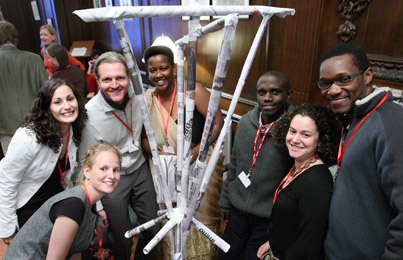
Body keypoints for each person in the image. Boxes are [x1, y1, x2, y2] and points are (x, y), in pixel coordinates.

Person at [319, 44, 403, 259]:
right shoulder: (352, 118)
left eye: (344, 79)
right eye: (325, 83)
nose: (333, 90)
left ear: (367, 75)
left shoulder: (392, 123)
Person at [142, 45, 225, 259]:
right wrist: (157, 153)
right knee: (172, 219)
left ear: (173, 67)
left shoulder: (193, 91)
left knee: (200, 219)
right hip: (167, 173)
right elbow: (142, 139)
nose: (158, 75)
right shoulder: (147, 99)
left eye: (163, 68)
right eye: (153, 70)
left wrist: (198, 151)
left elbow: (217, 123)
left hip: (198, 169)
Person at [78, 51, 159, 260]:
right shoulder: (90, 115)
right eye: (107, 79)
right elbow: (85, 162)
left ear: (129, 78)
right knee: (121, 238)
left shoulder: (140, 97)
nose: (114, 85)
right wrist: (98, 205)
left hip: (140, 168)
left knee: (153, 226)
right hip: (112, 178)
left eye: (120, 78)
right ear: (97, 80)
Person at [0, 78, 87, 246]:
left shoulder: (74, 128)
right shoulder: (28, 136)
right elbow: (6, 181)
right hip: (29, 207)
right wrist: (8, 229)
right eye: (58, 102)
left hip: (57, 203)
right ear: (47, 107)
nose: (67, 106)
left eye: (70, 99)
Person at [218, 71, 294, 260]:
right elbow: (234, 166)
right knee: (226, 255)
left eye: (275, 92)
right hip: (237, 213)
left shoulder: (294, 132)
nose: (267, 98)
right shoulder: (245, 123)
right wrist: (225, 204)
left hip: (267, 219)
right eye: (262, 92)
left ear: (288, 95)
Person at [3, 143, 121, 259]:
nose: (111, 175)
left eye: (116, 170)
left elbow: (76, 251)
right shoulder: (73, 205)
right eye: (103, 169)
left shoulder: (88, 202)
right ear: (87, 172)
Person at [257, 104, 340, 260]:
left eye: (305, 135)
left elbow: (308, 245)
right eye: (293, 131)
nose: (295, 139)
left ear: (321, 140)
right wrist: (273, 243)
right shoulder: (298, 166)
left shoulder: (317, 183)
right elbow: (291, 222)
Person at [0, 20, 47, 154]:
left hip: (5, 125)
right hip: (35, 121)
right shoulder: (34, 59)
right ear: (16, 38)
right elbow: (46, 90)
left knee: (13, 166)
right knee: (38, 162)